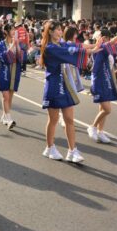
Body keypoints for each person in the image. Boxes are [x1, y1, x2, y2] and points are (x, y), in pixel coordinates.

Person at [39, 20, 102, 163]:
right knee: (53, 119)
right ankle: (49, 148)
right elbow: (71, 51)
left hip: (65, 84)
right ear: (50, 31)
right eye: (58, 30)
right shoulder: (50, 48)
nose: (60, 32)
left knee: (69, 119)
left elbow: (76, 46)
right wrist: (91, 50)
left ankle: (72, 150)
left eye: (61, 30)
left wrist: (95, 45)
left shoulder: (61, 44)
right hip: (54, 85)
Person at [87, 29, 117, 143]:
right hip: (98, 81)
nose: (103, 39)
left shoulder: (106, 49)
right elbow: (115, 41)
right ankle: (92, 126)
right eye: (100, 36)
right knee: (107, 109)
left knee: (103, 109)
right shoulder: (100, 47)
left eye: (104, 37)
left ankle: (100, 132)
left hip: (107, 81)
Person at [0, 23, 23, 130]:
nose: (13, 32)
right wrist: (12, 45)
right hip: (5, 72)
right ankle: (8, 119)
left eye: (14, 30)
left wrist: (16, 45)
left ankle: (4, 116)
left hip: (14, 72)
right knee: (5, 96)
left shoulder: (16, 43)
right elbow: (4, 58)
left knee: (10, 96)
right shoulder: (1, 44)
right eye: (11, 30)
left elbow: (21, 58)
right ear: (6, 32)